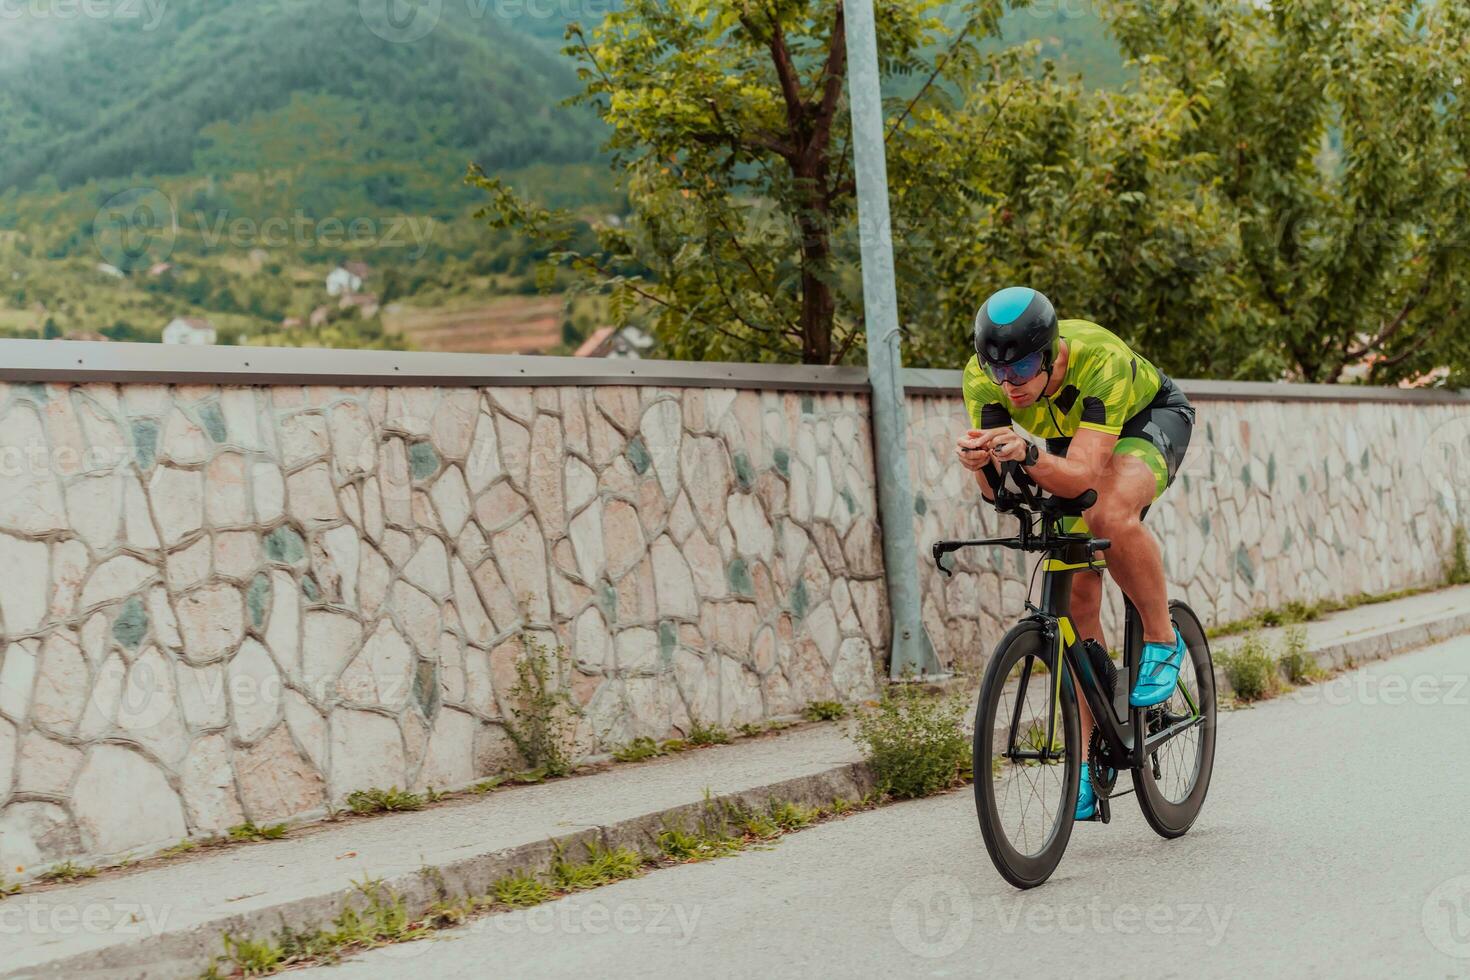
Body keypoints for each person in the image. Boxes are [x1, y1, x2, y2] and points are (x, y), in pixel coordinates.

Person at [954, 286, 1196, 821]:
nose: (1008, 384)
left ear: (1049, 353)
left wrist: (1031, 453)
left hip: (1144, 420)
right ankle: (1091, 754)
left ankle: (1162, 636)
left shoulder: (1097, 360)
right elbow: (1004, 492)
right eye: (997, 371)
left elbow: (1085, 476)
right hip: (1067, 443)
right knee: (1077, 600)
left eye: (1021, 369)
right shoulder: (985, 377)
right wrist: (981, 465)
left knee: (1107, 512)